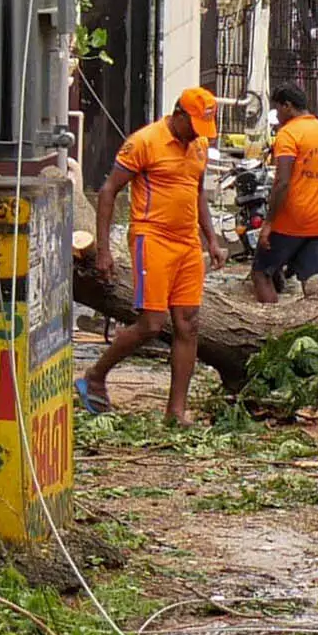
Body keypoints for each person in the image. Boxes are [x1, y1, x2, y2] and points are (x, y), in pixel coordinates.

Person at [86, 85, 218, 423]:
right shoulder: (145, 142)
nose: (197, 136)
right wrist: (103, 251)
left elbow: (197, 193)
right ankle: (95, 376)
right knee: (151, 324)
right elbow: (108, 192)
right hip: (152, 239)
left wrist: (212, 240)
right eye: (194, 127)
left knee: (188, 324)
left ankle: (175, 411)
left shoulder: (199, 146)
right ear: (178, 115)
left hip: (188, 243)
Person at [252, 90, 318, 301]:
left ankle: (272, 326)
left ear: (287, 106)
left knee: (261, 272)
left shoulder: (289, 134)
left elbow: (282, 182)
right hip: (317, 218)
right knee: (316, 281)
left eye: (277, 108)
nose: (277, 114)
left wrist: (269, 223)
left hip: (289, 219)